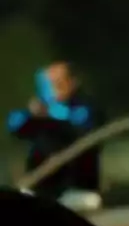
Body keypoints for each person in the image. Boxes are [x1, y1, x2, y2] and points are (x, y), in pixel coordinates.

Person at [7, 62, 105, 194]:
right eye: (47, 85)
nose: (52, 90)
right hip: (41, 187)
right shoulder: (40, 112)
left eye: (58, 84)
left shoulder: (86, 106)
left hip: (77, 189)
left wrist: (50, 112)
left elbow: (79, 128)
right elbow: (15, 127)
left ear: (72, 82)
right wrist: (31, 115)